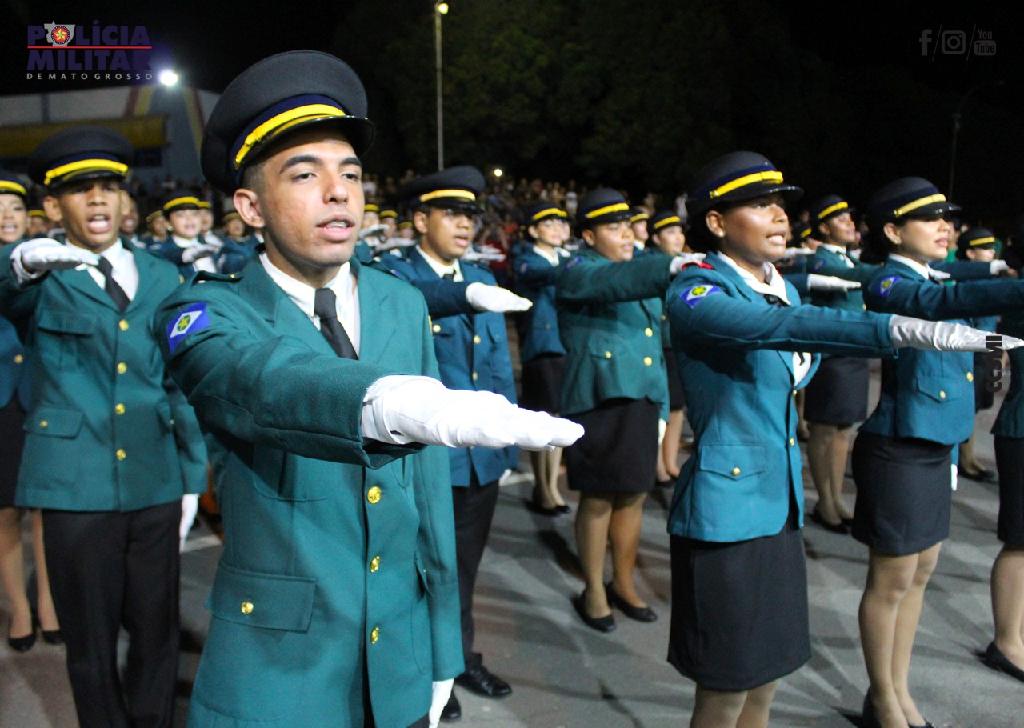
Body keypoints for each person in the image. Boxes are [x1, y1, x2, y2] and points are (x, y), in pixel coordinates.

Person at [160, 51, 579, 728]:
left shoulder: (397, 302)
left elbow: (424, 497)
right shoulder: (206, 312)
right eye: (305, 174)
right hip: (280, 670)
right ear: (250, 206)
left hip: (400, 657)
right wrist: (385, 401)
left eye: (351, 174)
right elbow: (257, 380)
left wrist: (443, 645)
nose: (339, 192)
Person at [665, 153, 1017, 728]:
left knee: (766, 680)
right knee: (727, 687)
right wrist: (900, 329)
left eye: (780, 204)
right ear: (716, 223)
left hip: (777, 505)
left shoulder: (775, 290)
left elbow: (796, 342)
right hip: (725, 512)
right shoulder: (697, 291)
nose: (779, 215)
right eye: (758, 205)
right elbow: (781, 330)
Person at [0, 127, 208, 727]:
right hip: (73, 484)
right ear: (52, 207)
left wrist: (192, 474)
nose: (96, 200)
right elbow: (4, 290)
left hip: (154, 476)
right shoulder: (39, 278)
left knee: (156, 630)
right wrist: (19, 262)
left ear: (125, 201)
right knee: (89, 645)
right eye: (79, 190)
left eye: (108, 187)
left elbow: (180, 380)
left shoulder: (165, 277)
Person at [853, 177, 1024, 728]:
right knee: (892, 579)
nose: (945, 227)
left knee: (921, 573)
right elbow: (938, 302)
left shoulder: (936, 276)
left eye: (947, 217)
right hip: (900, 446)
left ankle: (897, 691)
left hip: (936, 446)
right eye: (929, 219)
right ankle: (883, 699)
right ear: (892, 230)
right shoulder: (888, 284)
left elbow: (961, 294)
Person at [379, 166, 527, 723]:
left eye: (471, 216)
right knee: (420, 568)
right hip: (429, 459)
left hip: (478, 461)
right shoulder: (397, 276)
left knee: (464, 568)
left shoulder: (477, 275)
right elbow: (415, 302)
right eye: (451, 214)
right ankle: (427, 669)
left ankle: (460, 657)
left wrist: (505, 445)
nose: (465, 225)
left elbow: (495, 372)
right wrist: (467, 293)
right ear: (420, 219)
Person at [558, 188, 685, 632]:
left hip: (641, 398)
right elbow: (615, 282)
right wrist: (668, 266)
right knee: (597, 499)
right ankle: (593, 589)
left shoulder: (635, 275)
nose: (628, 235)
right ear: (588, 235)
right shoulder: (578, 269)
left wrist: (663, 405)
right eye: (614, 227)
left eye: (630, 226)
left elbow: (653, 344)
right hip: (600, 399)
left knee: (633, 496)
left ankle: (624, 582)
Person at [0, 171, 62, 652]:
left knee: (42, 507)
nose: (7, 216)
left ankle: (47, 601)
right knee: (4, 514)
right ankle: (18, 607)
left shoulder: (47, 260)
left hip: (39, 393)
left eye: (17, 209)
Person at [803, 194, 873, 531]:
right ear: (823, 227)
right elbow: (859, 277)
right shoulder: (821, 261)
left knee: (845, 430)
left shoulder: (847, 260)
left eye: (850, 217)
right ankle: (824, 500)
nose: (849, 223)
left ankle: (836, 497)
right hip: (831, 357)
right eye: (840, 219)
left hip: (853, 355)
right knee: (824, 429)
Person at [512, 201, 572, 514]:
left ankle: (551, 488)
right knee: (543, 418)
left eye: (560, 224)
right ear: (534, 231)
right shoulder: (527, 259)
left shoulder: (565, 258)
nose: (558, 229)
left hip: (564, 346)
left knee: (559, 418)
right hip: (542, 346)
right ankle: (543, 487)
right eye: (548, 224)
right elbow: (543, 274)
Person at [987, 293, 1024, 684]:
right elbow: (994, 343)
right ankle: (1007, 641)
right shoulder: (1016, 298)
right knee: (1020, 541)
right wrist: (993, 384)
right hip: (1021, 430)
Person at [645, 210, 689, 485]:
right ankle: (657, 464)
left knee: (677, 407)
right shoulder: (650, 265)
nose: (678, 237)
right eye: (670, 232)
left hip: (678, 341)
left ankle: (670, 461)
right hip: (660, 342)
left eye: (679, 231)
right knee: (662, 406)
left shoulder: (685, 263)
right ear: (656, 238)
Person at [955, 227, 1001, 481]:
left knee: (981, 402)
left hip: (991, 346)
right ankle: (966, 459)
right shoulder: (965, 281)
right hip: (973, 349)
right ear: (970, 253)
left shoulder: (990, 279)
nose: (991, 252)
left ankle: (968, 457)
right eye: (984, 248)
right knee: (967, 405)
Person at [151, 193, 219, 276]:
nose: (189, 219)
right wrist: (187, 254)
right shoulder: (161, 253)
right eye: (181, 215)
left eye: (194, 214)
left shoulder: (212, 246)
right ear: (168, 223)